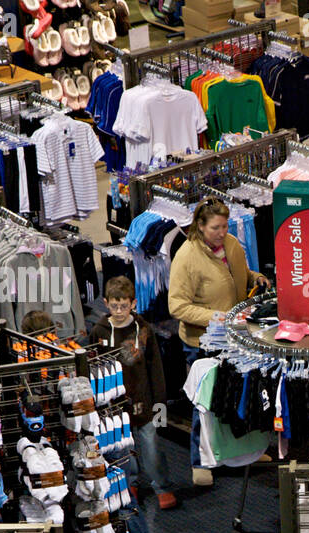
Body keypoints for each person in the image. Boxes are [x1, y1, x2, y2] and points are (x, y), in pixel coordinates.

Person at [168, 198, 269, 487]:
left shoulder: (233, 243)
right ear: (200, 226)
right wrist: (216, 316)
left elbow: (240, 273)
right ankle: (200, 463)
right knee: (207, 404)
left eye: (225, 226)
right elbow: (177, 307)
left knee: (239, 396)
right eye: (215, 227)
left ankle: (244, 450)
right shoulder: (186, 258)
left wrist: (256, 277)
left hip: (236, 336)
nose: (221, 232)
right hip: (202, 341)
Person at [90, 276, 176, 511]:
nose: (119, 311)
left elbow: (155, 368)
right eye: (114, 305)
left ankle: (162, 486)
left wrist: (160, 403)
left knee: (151, 445)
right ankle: (132, 481)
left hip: (145, 402)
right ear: (106, 303)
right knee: (124, 448)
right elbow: (93, 368)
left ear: (133, 303)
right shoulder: (98, 330)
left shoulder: (143, 329)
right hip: (115, 406)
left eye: (124, 305)